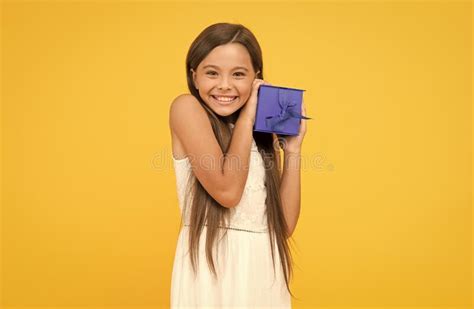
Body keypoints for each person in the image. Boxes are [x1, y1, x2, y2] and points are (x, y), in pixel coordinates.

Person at [169, 22, 307, 308]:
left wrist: (292, 151)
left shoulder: (259, 134)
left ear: (256, 78)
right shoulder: (186, 109)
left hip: (263, 272)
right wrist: (248, 117)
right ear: (194, 76)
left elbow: (283, 227)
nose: (225, 85)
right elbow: (228, 192)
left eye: (239, 74)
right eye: (212, 73)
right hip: (214, 271)